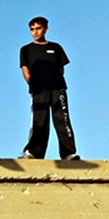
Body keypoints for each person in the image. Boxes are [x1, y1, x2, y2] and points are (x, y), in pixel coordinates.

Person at [19, 17, 79, 160]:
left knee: (62, 119)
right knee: (39, 120)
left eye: (38, 28)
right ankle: (34, 152)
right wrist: (34, 84)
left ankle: (68, 153)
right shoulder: (26, 50)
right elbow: (25, 70)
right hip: (39, 89)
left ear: (46, 29)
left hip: (58, 88)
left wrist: (54, 82)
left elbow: (60, 69)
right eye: (32, 29)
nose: (35, 32)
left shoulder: (56, 47)